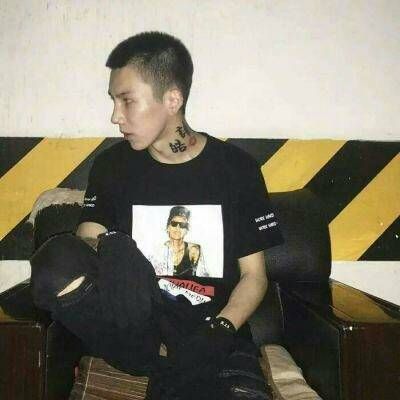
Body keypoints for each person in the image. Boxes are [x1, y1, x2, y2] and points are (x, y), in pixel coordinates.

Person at [31, 31, 283, 399]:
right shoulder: (113, 166)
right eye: (114, 101)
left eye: (127, 101)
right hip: (134, 327)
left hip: (210, 333)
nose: (115, 116)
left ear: (172, 99)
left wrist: (221, 329)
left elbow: (254, 276)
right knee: (57, 258)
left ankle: (179, 369)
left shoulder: (236, 169)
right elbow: (85, 244)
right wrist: (117, 255)